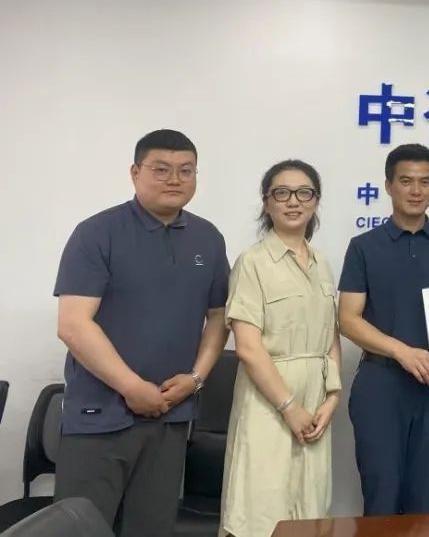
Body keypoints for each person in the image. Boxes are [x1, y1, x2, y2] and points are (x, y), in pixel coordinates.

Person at [53, 129, 230, 536]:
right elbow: (73, 324)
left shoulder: (208, 238)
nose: (175, 179)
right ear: (135, 173)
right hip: (100, 417)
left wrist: (195, 379)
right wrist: (132, 387)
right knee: (83, 529)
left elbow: (219, 316)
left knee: (152, 528)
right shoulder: (97, 233)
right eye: (161, 169)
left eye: (186, 170)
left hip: (170, 416)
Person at [337, 144, 429, 516]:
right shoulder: (364, 246)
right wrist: (401, 351)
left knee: (424, 499)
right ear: (389, 186)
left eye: (425, 182)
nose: (416, 190)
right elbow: (348, 319)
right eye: (406, 181)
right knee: (381, 497)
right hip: (381, 386)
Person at [220, 160, 341, 536]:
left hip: (316, 406)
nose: (293, 201)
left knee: (309, 509)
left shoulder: (322, 263)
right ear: (267, 203)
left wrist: (332, 398)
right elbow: (248, 347)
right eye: (282, 193)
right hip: (269, 402)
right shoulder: (252, 262)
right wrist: (289, 406)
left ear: (316, 201)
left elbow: (331, 338)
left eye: (304, 193)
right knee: (260, 509)